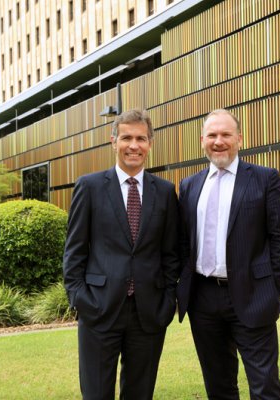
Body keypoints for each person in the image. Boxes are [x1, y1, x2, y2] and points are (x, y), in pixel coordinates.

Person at [177, 109, 280, 400]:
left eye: (226, 134)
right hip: (203, 299)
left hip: (253, 295)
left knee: (265, 385)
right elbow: (182, 243)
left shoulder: (265, 179)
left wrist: (272, 289)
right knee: (218, 386)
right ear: (202, 140)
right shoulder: (189, 185)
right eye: (212, 135)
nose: (219, 141)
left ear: (239, 139)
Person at [63, 109, 179, 400]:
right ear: (113, 141)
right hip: (99, 310)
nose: (133, 145)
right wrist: (80, 298)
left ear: (150, 144)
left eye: (141, 138)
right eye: (126, 137)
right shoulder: (89, 187)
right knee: (96, 394)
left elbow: (171, 253)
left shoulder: (164, 192)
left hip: (148, 314)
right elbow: (74, 251)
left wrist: (167, 301)